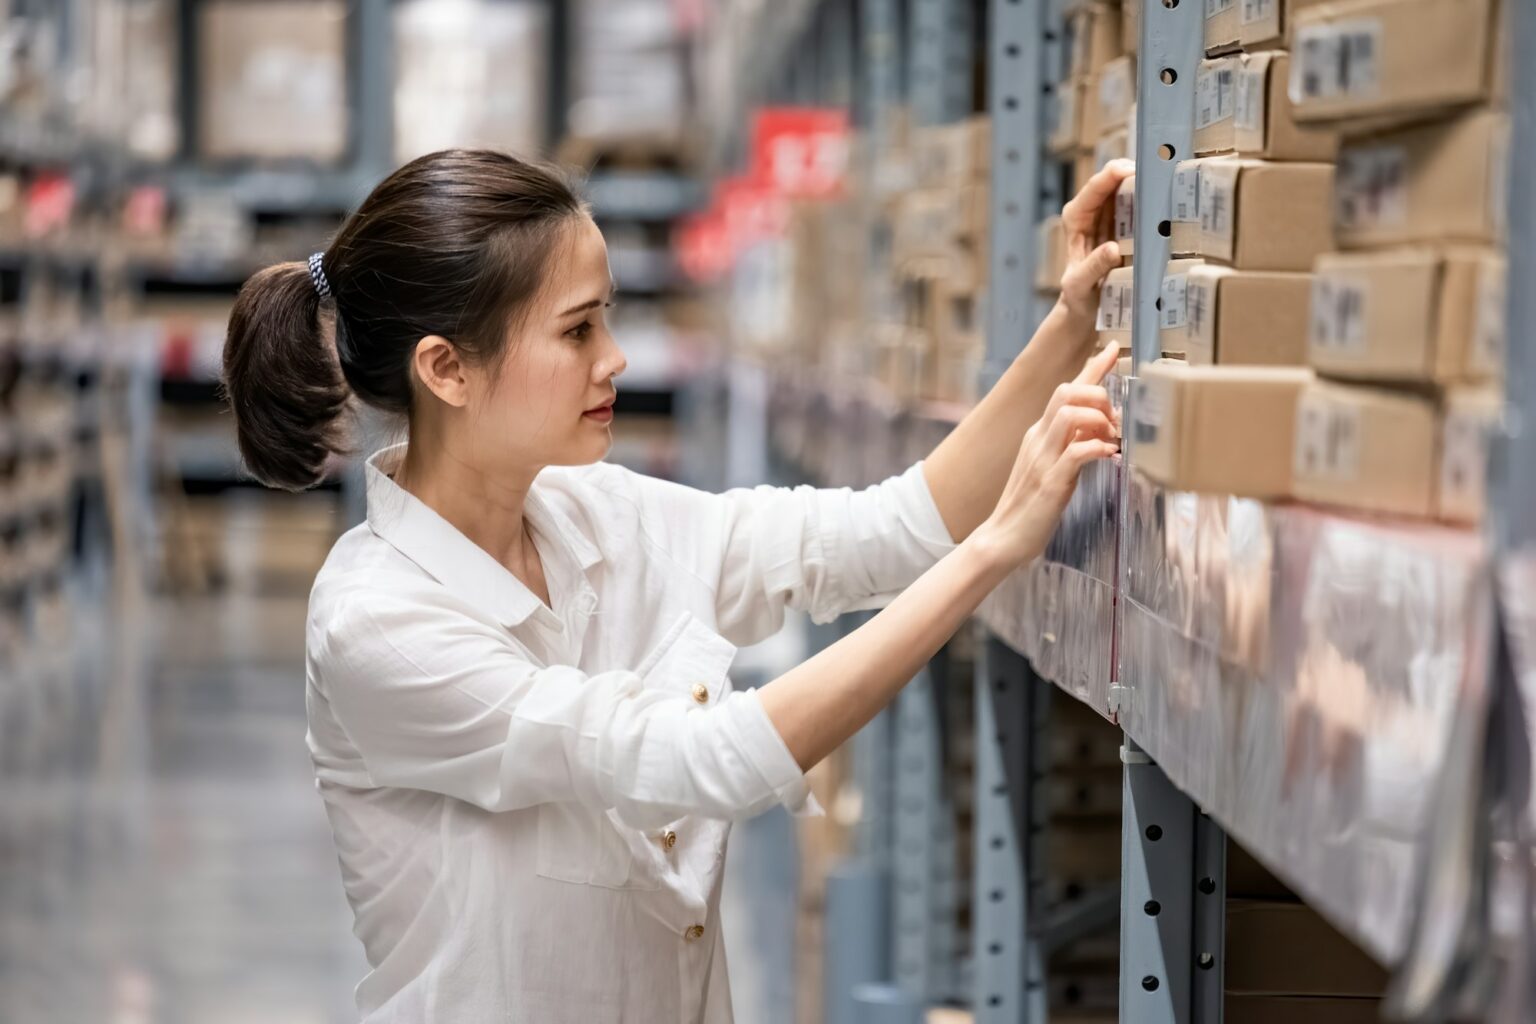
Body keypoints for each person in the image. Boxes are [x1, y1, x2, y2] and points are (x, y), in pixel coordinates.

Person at [221, 148, 1131, 1023]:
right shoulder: (379, 621)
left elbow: (889, 530)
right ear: (446, 370)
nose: (614, 357)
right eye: (577, 330)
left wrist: (1071, 324)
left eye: (607, 318)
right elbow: (704, 762)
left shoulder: (598, 513)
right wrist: (994, 554)